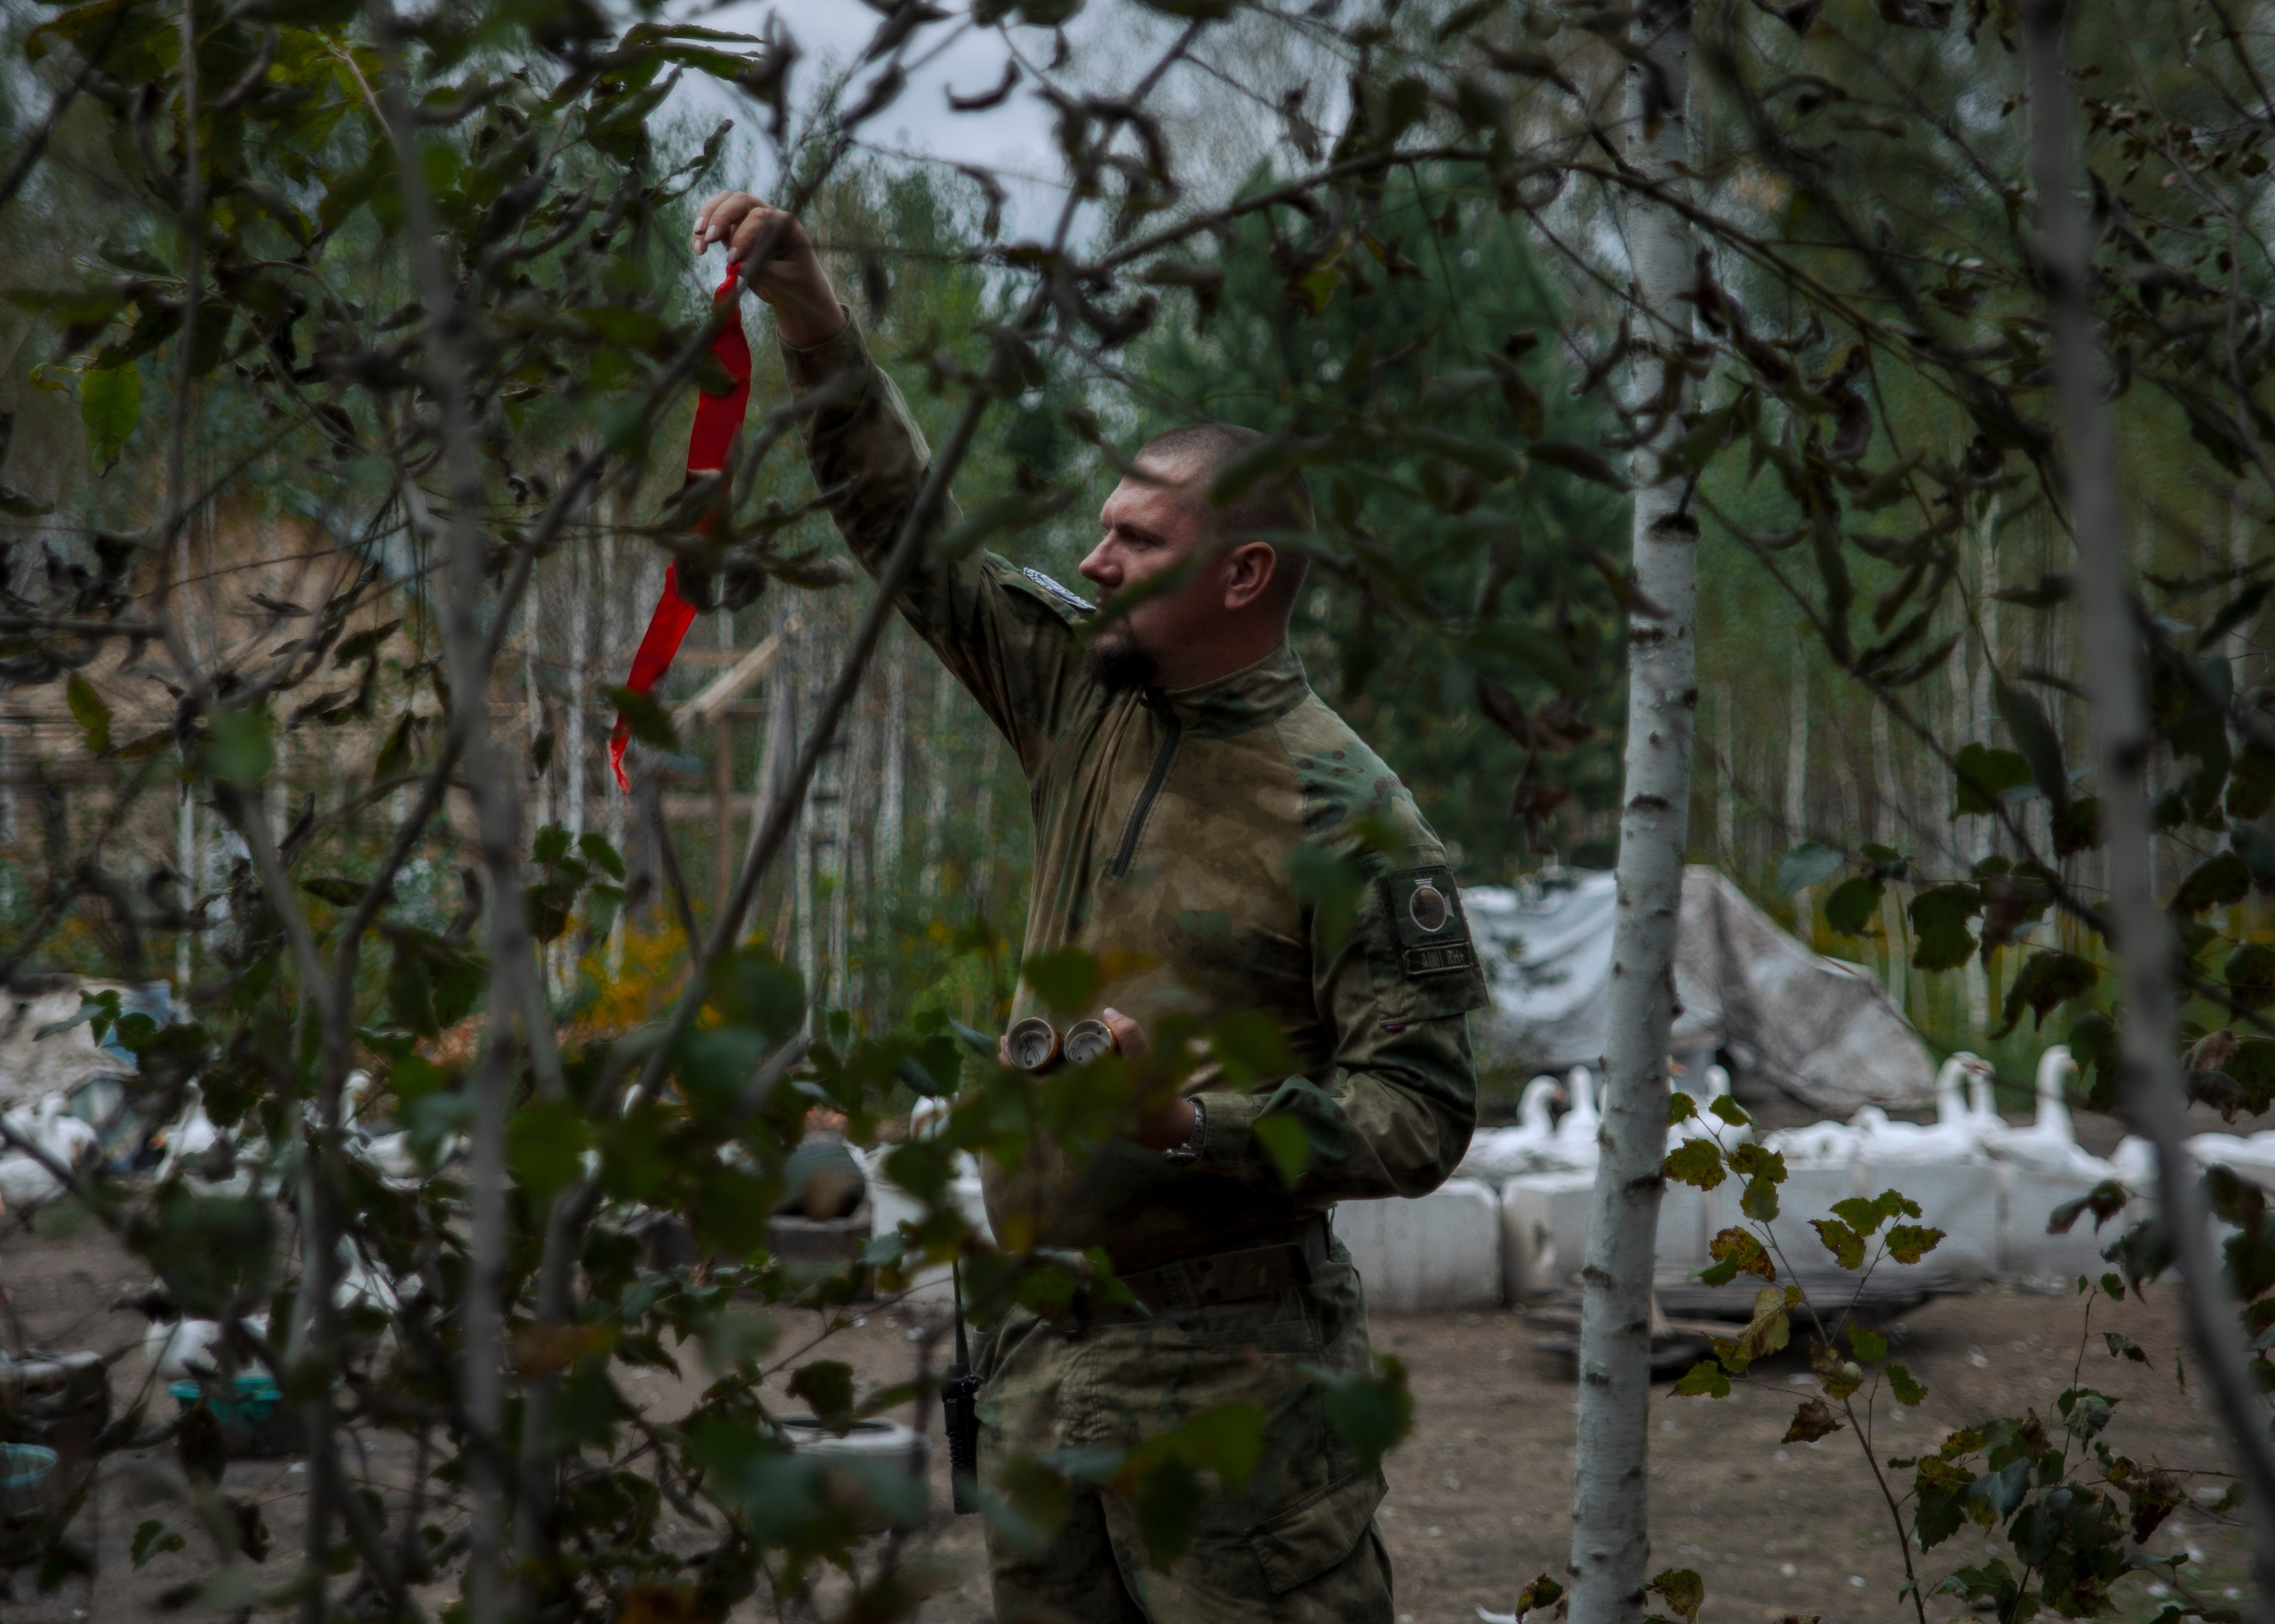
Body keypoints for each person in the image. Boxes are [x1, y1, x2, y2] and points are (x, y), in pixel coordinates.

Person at [692, 191, 1488, 1624]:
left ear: (1242, 572)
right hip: (1033, 1349)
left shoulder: (1353, 820)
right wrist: (814, 322)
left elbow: (1422, 1112)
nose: (1098, 558)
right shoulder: (1081, 697)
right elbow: (908, 535)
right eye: (1100, 533)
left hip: (1231, 1386)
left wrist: (1189, 1126)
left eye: (1135, 536)